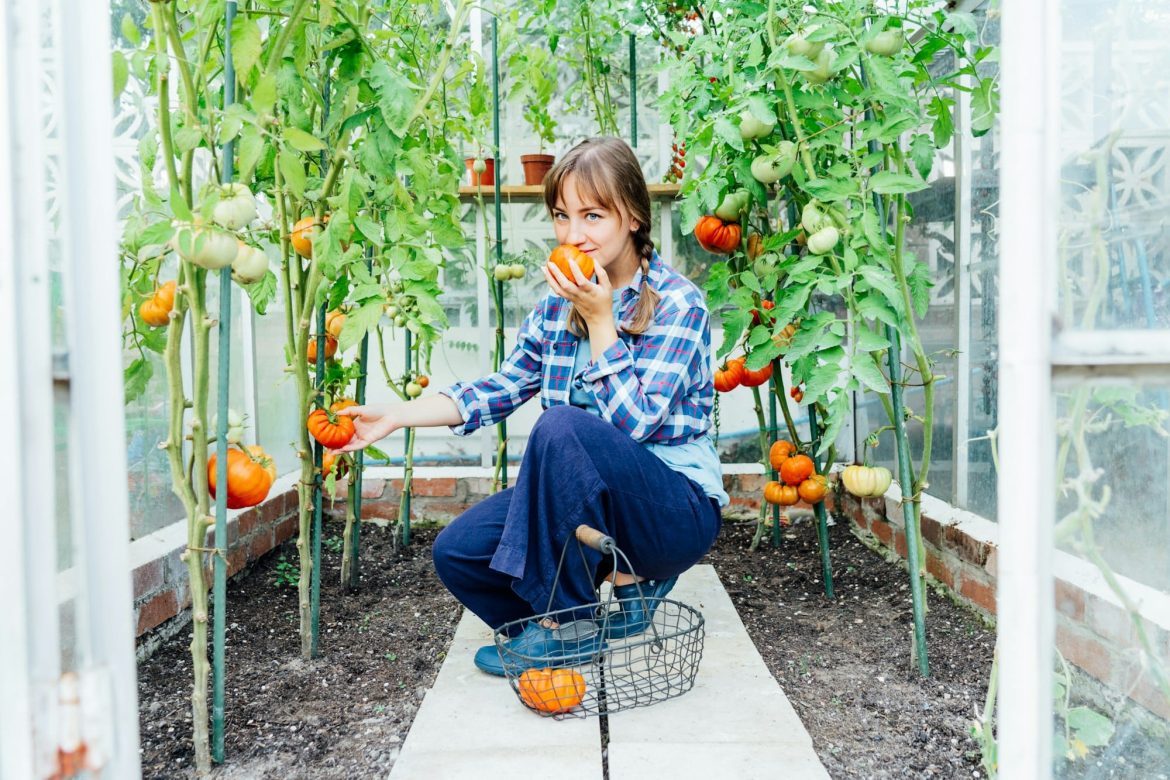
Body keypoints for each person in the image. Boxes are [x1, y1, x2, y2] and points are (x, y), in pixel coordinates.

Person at [337, 137, 727, 676]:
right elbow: (502, 386)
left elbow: (637, 423)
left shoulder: (678, 303)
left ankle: (565, 626)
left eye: (593, 215)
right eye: (561, 216)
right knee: (461, 553)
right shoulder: (555, 306)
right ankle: (590, 605)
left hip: (671, 508)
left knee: (562, 424)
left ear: (634, 216)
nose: (573, 235)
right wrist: (399, 415)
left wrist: (600, 321)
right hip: (595, 510)